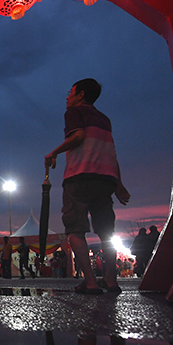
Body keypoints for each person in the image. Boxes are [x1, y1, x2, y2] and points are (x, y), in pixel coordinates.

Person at [45, 78, 131, 294]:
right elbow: (111, 152)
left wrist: (54, 152)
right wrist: (118, 183)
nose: (67, 96)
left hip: (80, 176)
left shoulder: (75, 112)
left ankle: (90, 282)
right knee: (106, 231)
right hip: (105, 179)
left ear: (80, 94)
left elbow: (78, 136)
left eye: (70, 92)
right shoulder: (104, 119)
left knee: (75, 229)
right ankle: (110, 279)